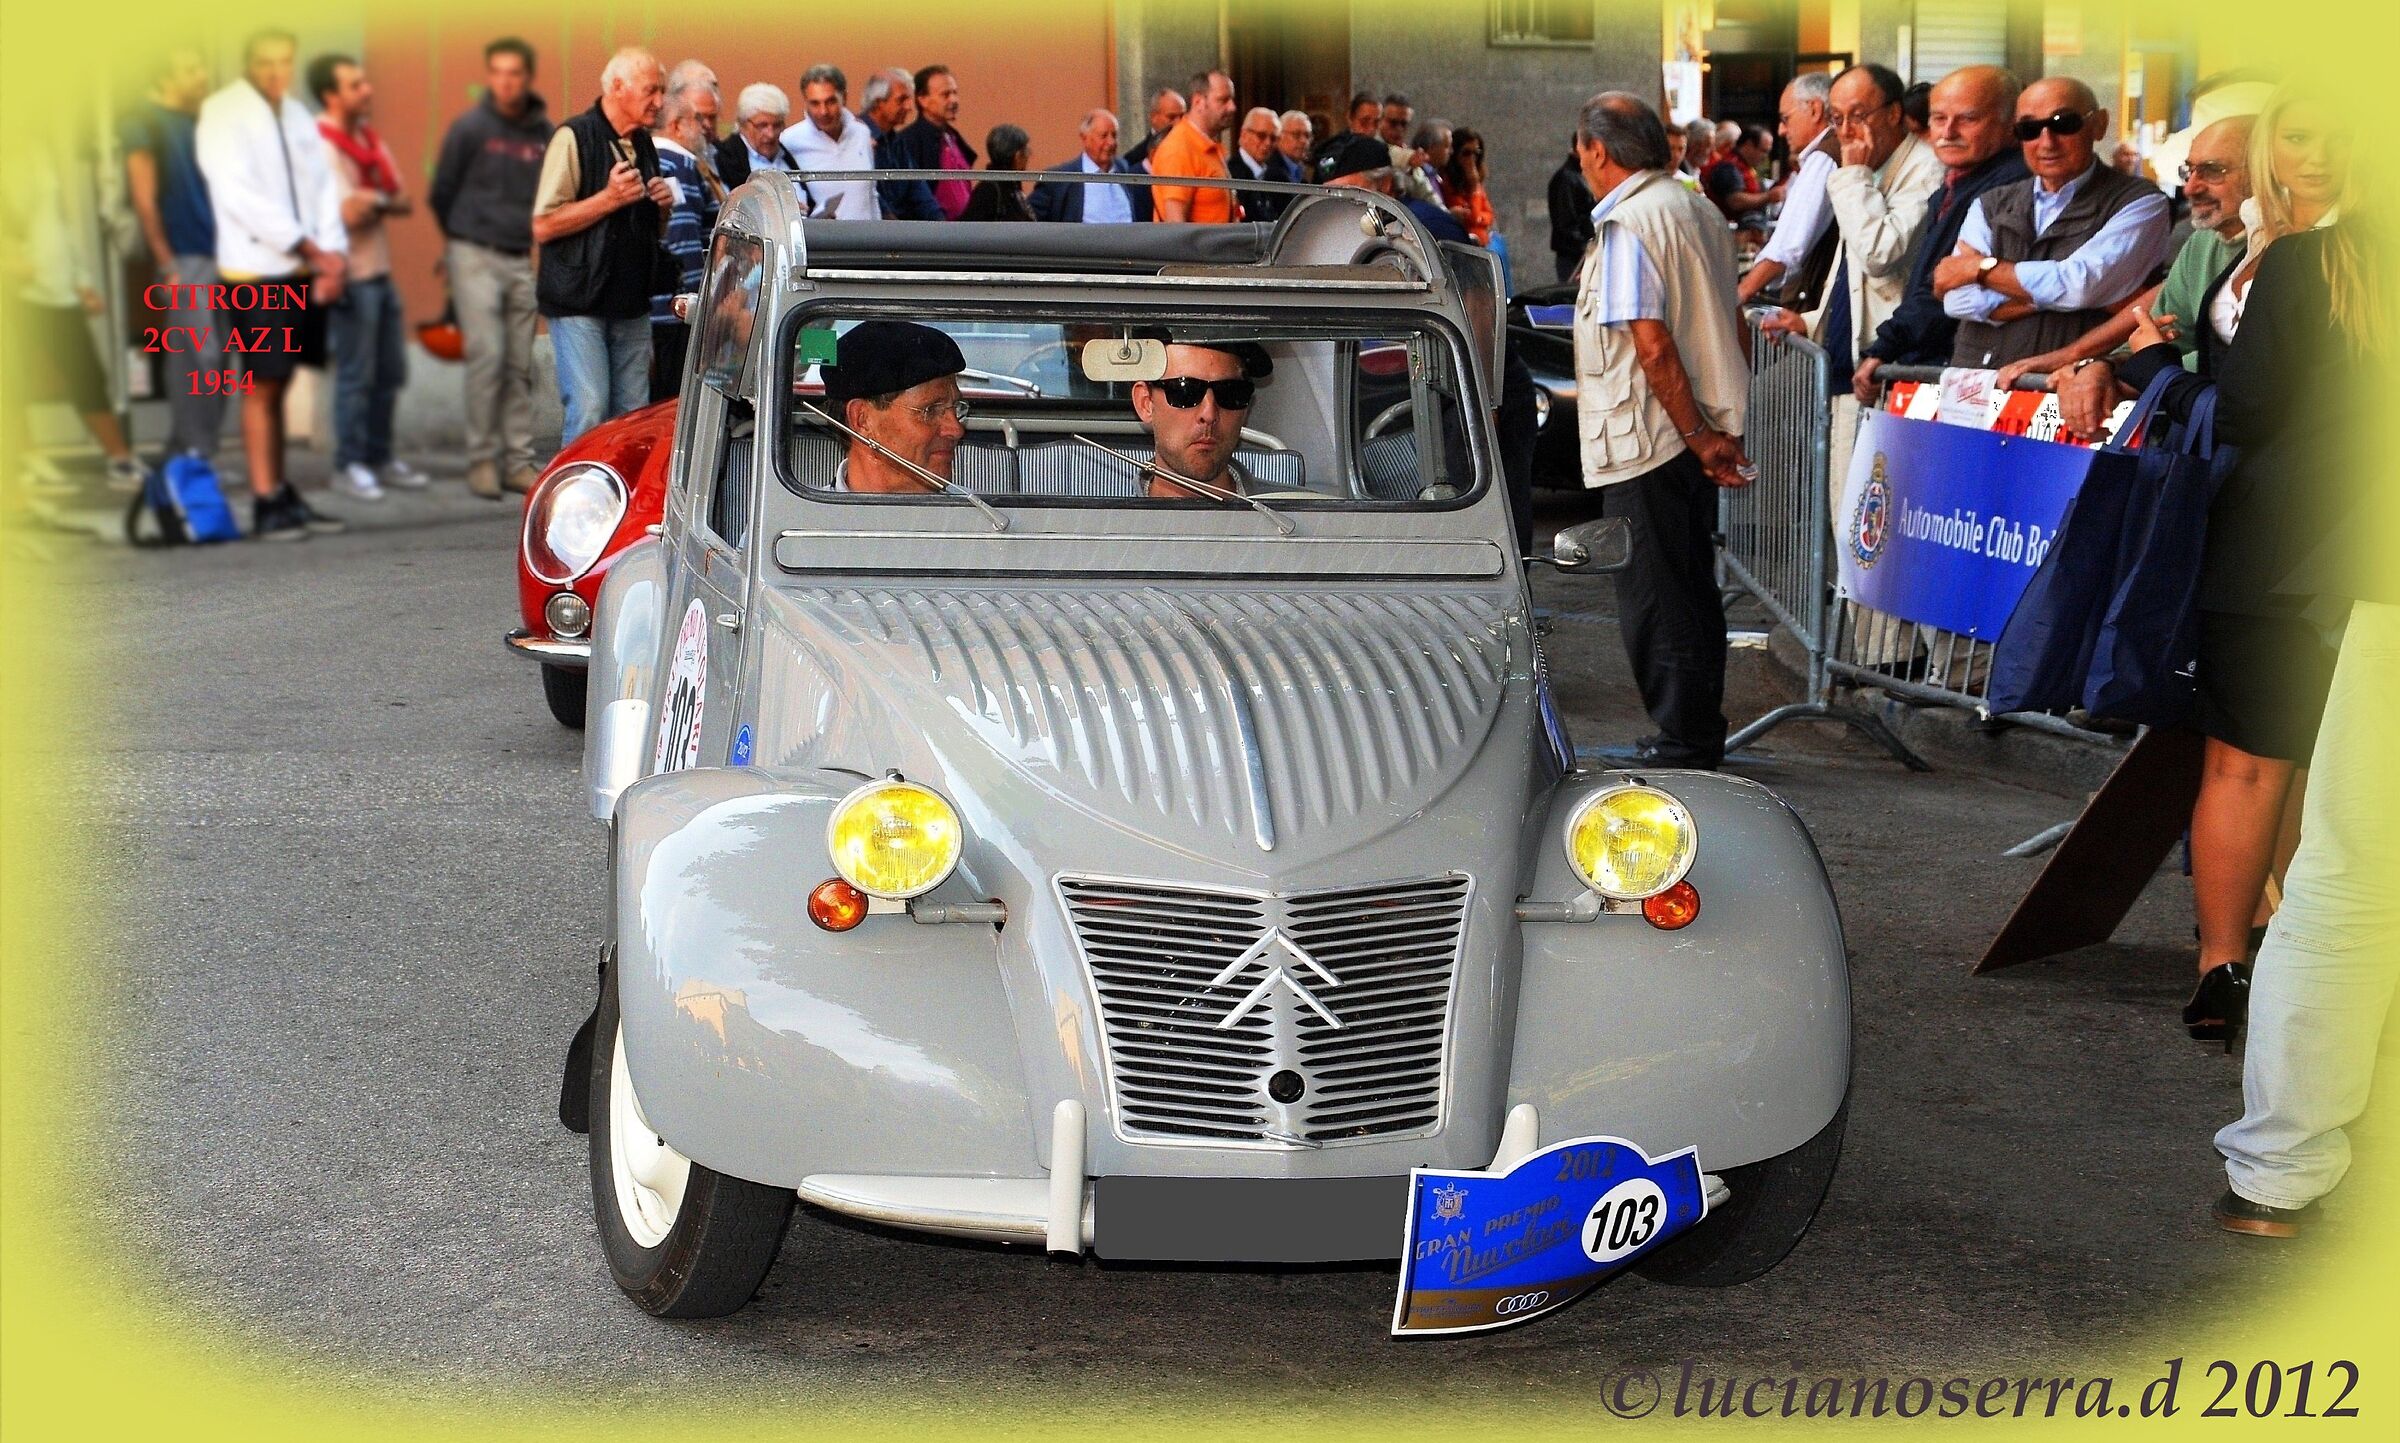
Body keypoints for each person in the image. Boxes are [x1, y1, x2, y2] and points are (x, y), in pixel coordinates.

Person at [2092, 92, 2375, 1057]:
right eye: (2299, 135)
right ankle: (2296, 962)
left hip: (2274, 543)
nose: (2318, 152)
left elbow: (2248, 411)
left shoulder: (2304, 260)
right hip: (2344, 547)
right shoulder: (2308, 253)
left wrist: (2153, 368)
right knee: (2317, 762)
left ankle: (2225, 964)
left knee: (2249, 761)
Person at [1568, 92, 1751, 770]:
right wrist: (1717, 430)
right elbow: (1729, 323)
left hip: (1653, 434)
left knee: (1658, 594)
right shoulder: (1694, 206)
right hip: (1688, 428)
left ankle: (1685, 737)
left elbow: (1653, 345)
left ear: (1598, 151)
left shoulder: (1632, 222)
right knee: (1689, 585)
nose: (1581, 163)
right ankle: (1694, 729)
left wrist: (1700, 436)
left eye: (1581, 151)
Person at [195, 29, 350, 541]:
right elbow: (237, 194)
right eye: (265, 61)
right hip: (255, 270)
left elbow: (322, 188)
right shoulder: (223, 111)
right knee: (262, 385)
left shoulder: (296, 113)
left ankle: (280, 492)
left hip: (301, 270)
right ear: (247, 63)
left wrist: (331, 256)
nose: (275, 71)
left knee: (281, 384)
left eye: (284, 61)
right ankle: (264, 502)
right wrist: (307, 246)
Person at [1756, 63, 1940, 486]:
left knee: (1868, 506)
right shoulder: (1867, 168)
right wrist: (1811, 321)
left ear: (1893, 113)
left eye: (1858, 115)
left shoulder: (1925, 170)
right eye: (1837, 119)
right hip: (1851, 364)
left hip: (1888, 370)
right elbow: (1851, 276)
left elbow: (1880, 254)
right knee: (1842, 501)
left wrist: (1852, 176)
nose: (1846, 131)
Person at [2017, 115, 2256, 418]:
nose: (2190, 188)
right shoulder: (2201, 244)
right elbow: (2157, 342)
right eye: (2189, 171)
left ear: (2263, 172)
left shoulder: (2291, 247)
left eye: (2213, 171)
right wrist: (2103, 367)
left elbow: (2237, 362)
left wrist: (2140, 370)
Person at [1937, 76, 2172, 369]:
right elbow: (1957, 300)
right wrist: (2071, 295)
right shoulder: (1990, 203)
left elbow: (2081, 285)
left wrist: (1979, 269)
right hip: (1978, 380)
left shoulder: (2141, 202)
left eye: (2064, 124)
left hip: (2071, 382)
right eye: (2030, 129)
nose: (2047, 142)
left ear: (2099, 125)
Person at [1850, 66, 2027, 401]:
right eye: (1938, 118)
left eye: (1968, 119)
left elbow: (1946, 291)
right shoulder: (1956, 183)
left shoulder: (2009, 187)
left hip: (1980, 377)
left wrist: (1887, 346)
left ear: (2011, 123)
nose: (1948, 132)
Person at [429, 36, 552, 499]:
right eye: (497, 73)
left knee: (518, 362)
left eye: (514, 73)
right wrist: (462, 239)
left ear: (527, 77)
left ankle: (516, 462)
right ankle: (482, 460)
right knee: (487, 358)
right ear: (489, 77)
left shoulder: (542, 132)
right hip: (475, 254)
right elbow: (443, 190)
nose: (506, 82)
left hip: (518, 257)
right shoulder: (471, 128)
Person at [532, 47, 674, 447]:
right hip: (579, 299)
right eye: (651, 90)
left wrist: (661, 209)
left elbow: (646, 230)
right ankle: (574, 486)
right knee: (590, 408)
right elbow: (543, 225)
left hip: (630, 300)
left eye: (662, 91)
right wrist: (608, 199)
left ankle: (623, 488)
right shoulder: (574, 137)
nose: (659, 101)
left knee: (633, 413)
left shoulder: (643, 143)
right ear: (617, 87)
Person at [5, 123, 151, 501]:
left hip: (55, 285)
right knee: (14, 379)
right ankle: (25, 459)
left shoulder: (37, 150)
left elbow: (58, 224)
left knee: (86, 374)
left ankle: (119, 459)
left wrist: (81, 279)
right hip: (15, 290)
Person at [310, 52, 421, 503]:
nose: (367, 90)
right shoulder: (320, 144)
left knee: (389, 372)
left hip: (378, 271)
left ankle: (378, 457)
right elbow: (346, 215)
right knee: (356, 375)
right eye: (355, 85)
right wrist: (378, 200)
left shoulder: (368, 139)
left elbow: (404, 200)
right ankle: (348, 464)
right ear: (330, 96)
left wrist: (370, 200)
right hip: (349, 275)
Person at [121, 49, 224, 468]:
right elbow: (144, 199)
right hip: (183, 255)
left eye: (201, 67)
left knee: (217, 360)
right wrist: (166, 263)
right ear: (165, 79)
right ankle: (192, 452)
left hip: (222, 254)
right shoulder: (142, 122)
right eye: (191, 70)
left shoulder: (201, 121)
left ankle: (192, 452)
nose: (202, 76)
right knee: (198, 356)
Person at [819, 319, 968, 492]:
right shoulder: (803, 508)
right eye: (931, 410)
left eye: (956, 407)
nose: (956, 429)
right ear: (862, 419)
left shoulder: (982, 508)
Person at [648, 61, 724, 402]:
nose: (704, 128)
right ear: (677, 125)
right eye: (697, 119)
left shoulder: (653, 159)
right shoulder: (679, 163)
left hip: (658, 306)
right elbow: (681, 237)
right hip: (675, 309)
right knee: (673, 402)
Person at [1738, 72, 1835, 304]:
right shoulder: (1827, 153)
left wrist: (1741, 292)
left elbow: (1788, 246)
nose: (1781, 130)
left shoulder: (1823, 157)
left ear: (1815, 110)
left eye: (1786, 118)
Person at [1129, 340, 1271, 498]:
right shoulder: (1110, 513)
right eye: (1185, 392)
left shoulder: (1290, 506)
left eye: (1230, 393)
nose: (1209, 414)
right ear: (1145, 403)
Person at [783, 64, 878, 221]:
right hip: (821, 236)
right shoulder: (789, 140)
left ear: (844, 98)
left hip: (868, 234)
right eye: (815, 103)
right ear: (805, 102)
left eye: (831, 101)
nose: (823, 111)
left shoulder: (861, 132)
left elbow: (871, 194)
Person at [1150, 70, 1238, 223]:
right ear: (1198, 102)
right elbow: (1176, 226)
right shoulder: (1178, 148)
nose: (1232, 107)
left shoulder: (1203, 143)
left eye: (1232, 99)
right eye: (1223, 100)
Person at [1031, 109, 1147, 223]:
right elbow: (1030, 217)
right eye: (1104, 136)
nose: (1111, 142)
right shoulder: (1060, 180)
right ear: (1084, 138)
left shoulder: (1124, 170)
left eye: (1114, 135)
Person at [861, 69, 941, 222]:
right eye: (901, 100)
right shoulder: (855, 137)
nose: (909, 107)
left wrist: (943, 225)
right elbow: (868, 195)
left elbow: (918, 189)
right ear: (878, 103)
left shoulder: (896, 142)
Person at [898, 66, 977, 220]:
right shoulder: (908, 142)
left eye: (955, 93)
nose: (953, 100)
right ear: (922, 100)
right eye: (945, 94)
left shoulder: (953, 137)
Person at [715, 82, 797, 191]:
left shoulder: (787, 155)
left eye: (777, 125)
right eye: (762, 126)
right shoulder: (724, 159)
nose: (771, 134)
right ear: (742, 124)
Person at [1704, 122, 1782, 231]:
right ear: (1749, 145)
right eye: (1763, 151)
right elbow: (1735, 201)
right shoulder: (1728, 167)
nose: (1765, 157)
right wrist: (1768, 197)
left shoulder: (1745, 167)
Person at [1232, 107, 1300, 222]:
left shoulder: (1278, 177)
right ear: (1244, 135)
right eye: (1261, 136)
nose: (1268, 143)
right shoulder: (1230, 173)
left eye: (1273, 138)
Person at [960, 125, 1035, 222]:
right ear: (1017, 156)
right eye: (1026, 151)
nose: (1028, 156)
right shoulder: (990, 190)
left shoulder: (1011, 186)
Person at [1546, 143, 1594, 283]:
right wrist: (1584, 245)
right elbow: (1566, 222)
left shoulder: (1576, 176)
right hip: (1573, 255)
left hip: (1578, 251)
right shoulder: (1567, 179)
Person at [1443, 127, 1496, 245]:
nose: (1472, 159)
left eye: (1476, 153)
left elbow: (1489, 215)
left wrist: (1480, 219)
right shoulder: (1448, 183)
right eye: (1466, 153)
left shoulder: (1476, 183)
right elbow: (1470, 217)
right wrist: (1473, 188)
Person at [1120, 86, 1186, 175]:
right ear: (1153, 117)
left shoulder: (1196, 149)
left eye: (1182, 116)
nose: (1179, 123)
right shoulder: (1133, 160)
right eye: (1171, 117)